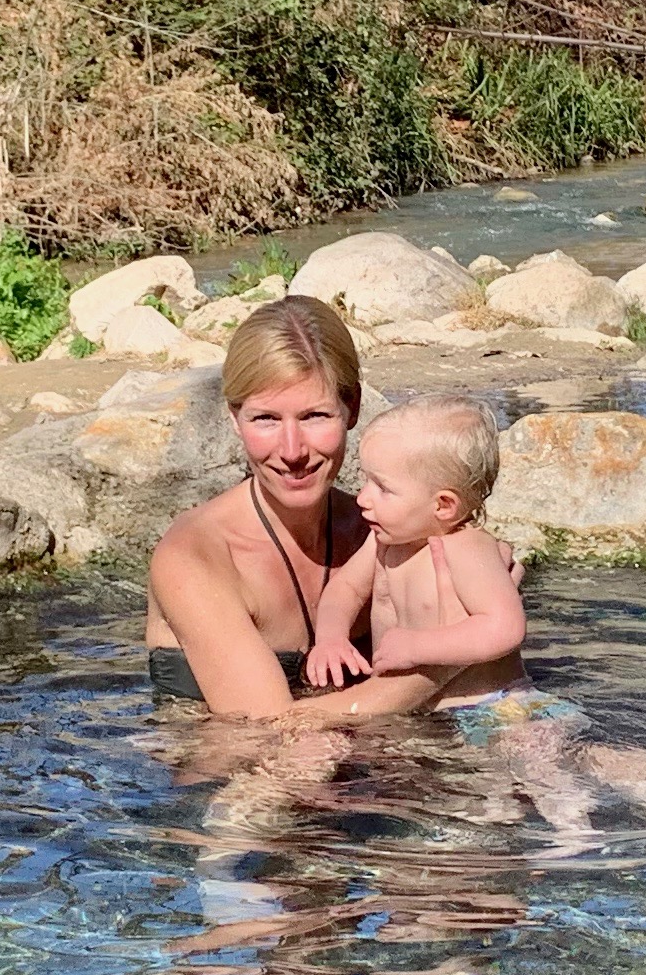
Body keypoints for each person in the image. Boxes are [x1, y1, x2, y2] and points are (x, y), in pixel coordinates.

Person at [143, 297, 447, 725]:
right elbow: (271, 729)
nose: (292, 451)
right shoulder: (195, 557)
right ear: (234, 418)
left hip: (371, 775)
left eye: (314, 416)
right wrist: (451, 662)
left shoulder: (388, 531)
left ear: (352, 408)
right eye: (265, 419)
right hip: (236, 781)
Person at [301, 395, 558, 734]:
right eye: (366, 481)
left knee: (556, 778)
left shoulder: (467, 548)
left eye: (382, 488)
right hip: (428, 714)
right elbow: (344, 589)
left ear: (443, 505)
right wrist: (332, 638)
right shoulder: (382, 542)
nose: (362, 498)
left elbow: (504, 626)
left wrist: (417, 647)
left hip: (500, 708)